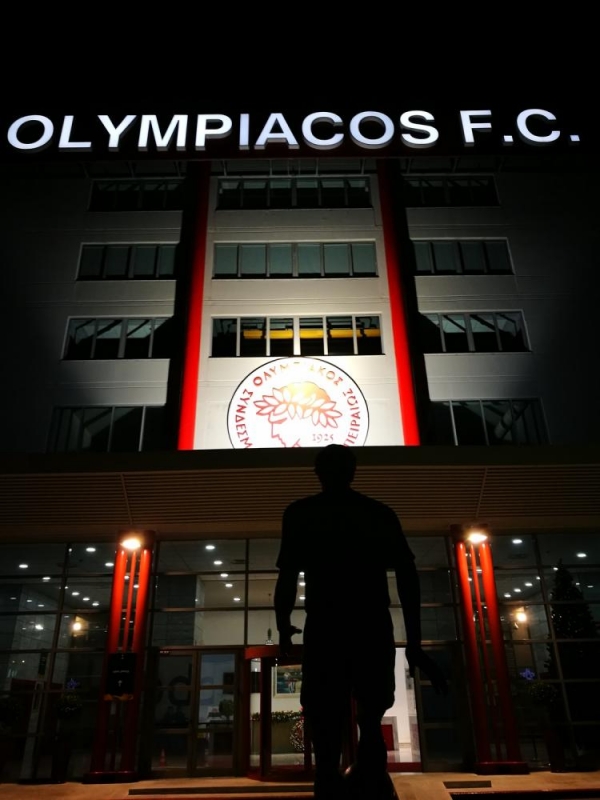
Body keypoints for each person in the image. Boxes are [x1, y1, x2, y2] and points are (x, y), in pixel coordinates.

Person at [274, 444, 447, 800]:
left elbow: (287, 576)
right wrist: (414, 643)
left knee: (329, 720)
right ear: (353, 472)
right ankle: (363, 780)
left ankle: (333, 781)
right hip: (368, 625)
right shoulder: (377, 513)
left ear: (318, 473)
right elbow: (407, 576)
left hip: (328, 626)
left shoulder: (302, 514)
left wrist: (283, 625)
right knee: (367, 718)